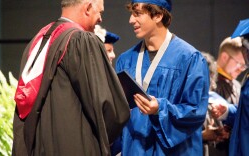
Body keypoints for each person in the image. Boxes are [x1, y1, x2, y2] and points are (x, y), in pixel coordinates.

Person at [12, 0, 130, 155]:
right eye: (100, 12)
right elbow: (107, 109)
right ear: (88, 8)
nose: (100, 19)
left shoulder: (39, 41)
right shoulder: (82, 40)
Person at [111, 0, 210, 155]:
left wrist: (160, 109)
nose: (131, 20)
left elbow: (195, 111)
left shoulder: (189, 59)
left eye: (137, 14)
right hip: (135, 149)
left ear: (157, 15)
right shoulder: (126, 60)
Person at [210, 35, 249, 156]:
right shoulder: (208, 82)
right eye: (239, 64)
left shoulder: (238, 86)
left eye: (244, 66)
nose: (241, 69)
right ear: (225, 56)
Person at [201, 52, 230, 156]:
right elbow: (171, 137)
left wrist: (222, 134)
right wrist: (202, 136)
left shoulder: (214, 103)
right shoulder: (179, 102)